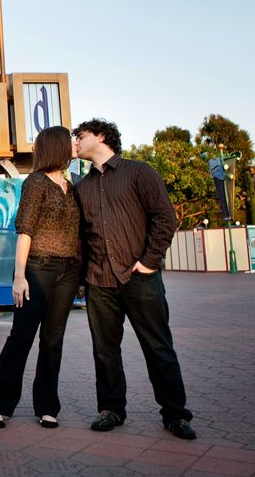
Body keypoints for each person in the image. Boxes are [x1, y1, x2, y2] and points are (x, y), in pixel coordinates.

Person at [73, 118, 195, 440]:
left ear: (100, 136)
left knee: (158, 347)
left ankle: (175, 414)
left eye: (79, 136)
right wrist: (84, 281)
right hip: (100, 282)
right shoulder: (81, 188)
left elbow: (164, 217)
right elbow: (83, 239)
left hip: (140, 278)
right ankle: (111, 409)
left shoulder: (139, 172)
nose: (75, 141)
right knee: (105, 350)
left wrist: (149, 263)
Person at [0, 126, 81, 429]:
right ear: (57, 146)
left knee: (53, 340)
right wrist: (19, 275)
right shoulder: (36, 182)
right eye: (71, 140)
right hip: (38, 269)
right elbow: (25, 229)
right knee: (21, 338)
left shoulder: (72, 185)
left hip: (68, 272)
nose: (76, 144)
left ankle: (47, 407)